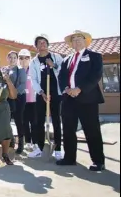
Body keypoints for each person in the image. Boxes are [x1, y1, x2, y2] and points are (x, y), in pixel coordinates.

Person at [58, 30, 105, 171]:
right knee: (67, 129)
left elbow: (96, 75)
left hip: (87, 98)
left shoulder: (94, 56)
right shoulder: (67, 59)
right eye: (74, 39)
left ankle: (98, 161)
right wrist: (66, 89)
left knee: (92, 130)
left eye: (80, 38)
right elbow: (61, 77)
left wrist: (79, 89)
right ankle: (69, 158)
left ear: (85, 41)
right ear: (71, 44)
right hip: (69, 99)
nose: (77, 41)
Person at [28, 34, 64, 159]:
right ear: (36, 46)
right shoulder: (34, 62)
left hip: (56, 92)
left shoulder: (56, 57)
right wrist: (41, 93)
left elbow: (64, 72)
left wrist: (53, 65)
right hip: (42, 93)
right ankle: (40, 147)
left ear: (48, 45)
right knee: (38, 121)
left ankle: (58, 149)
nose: (42, 44)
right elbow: (33, 80)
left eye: (44, 42)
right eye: (39, 43)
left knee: (56, 120)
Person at [5, 50, 27, 154]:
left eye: (14, 57)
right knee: (7, 120)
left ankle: (21, 144)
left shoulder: (21, 69)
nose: (12, 59)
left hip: (19, 98)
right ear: (7, 58)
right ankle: (11, 141)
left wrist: (14, 93)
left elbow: (23, 85)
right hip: (7, 99)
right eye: (10, 57)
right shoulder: (4, 69)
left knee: (19, 120)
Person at [18, 49, 37, 151]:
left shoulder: (33, 69)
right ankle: (28, 142)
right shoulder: (17, 70)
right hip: (22, 101)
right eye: (21, 57)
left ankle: (35, 142)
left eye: (26, 57)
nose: (23, 60)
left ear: (30, 59)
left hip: (33, 100)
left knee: (34, 122)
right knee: (24, 122)